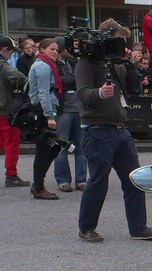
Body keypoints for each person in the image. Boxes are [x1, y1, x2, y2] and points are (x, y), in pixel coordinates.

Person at [75, 18, 152, 242]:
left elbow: (134, 89)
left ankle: (138, 227)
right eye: (119, 38)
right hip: (97, 130)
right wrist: (99, 93)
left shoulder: (116, 64)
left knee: (134, 179)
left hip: (120, 130)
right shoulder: (87, 62)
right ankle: (87, 228)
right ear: (107, 37)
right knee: (98, 182)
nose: (123, 44)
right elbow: (82, 94)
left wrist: (131, 65)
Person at [28, 38, 64, 200]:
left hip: (45, 111)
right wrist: (49, 115)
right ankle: (38, 187)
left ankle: (37, 183)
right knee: (44, 150)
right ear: (42, 50)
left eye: (56, 49)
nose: (55, 52)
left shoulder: (46, 65)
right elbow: (43, 93)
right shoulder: (42, 66)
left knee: (52, 148)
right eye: (52, 49)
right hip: (43, 113)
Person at [52, 36, 87, 193]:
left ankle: (81, 180)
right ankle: (63, 180)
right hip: (62, 109)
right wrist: (72, 79)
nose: (70, 49)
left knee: (81, 146)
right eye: (67, 46)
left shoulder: (72, 62)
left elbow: (78, 80)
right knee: (62, 146)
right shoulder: (52, 64)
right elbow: (57, 81)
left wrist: (71, 79)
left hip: (77, 108)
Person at [0, 36, 30, 188]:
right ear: (4, 50)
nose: (10, 56)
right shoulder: (3, 65)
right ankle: (11, 176)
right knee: (12, 142)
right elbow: (19, 77)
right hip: (4, 112)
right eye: (10, 53)